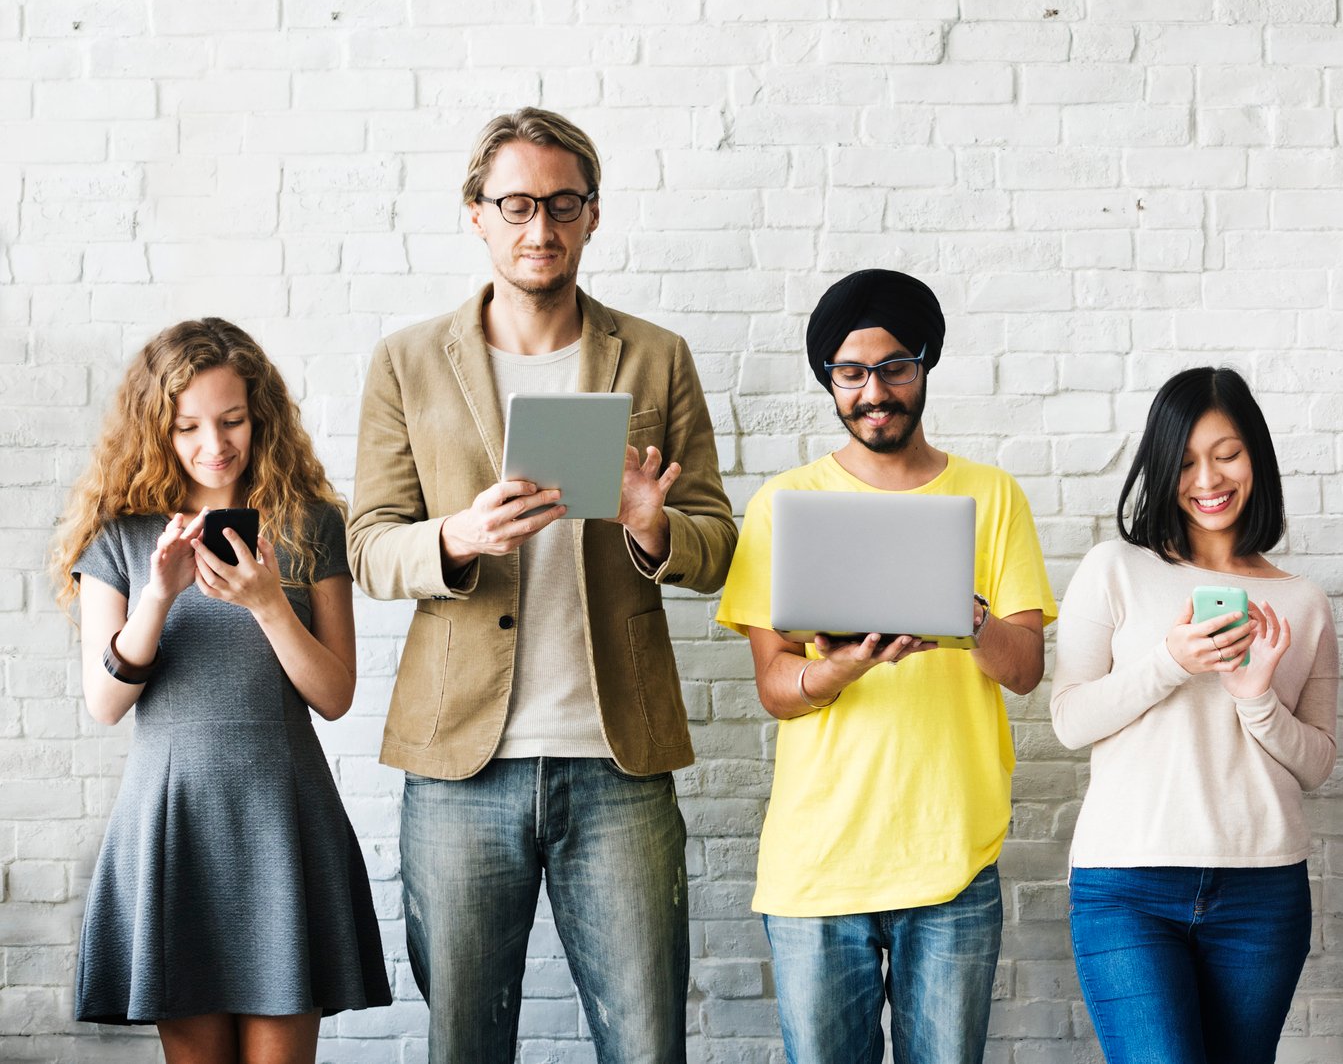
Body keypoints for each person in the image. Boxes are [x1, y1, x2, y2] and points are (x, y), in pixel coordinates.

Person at [347, 107, 737, 1063]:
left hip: (619, 760)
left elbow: (718, 544)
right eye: (516, 204)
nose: (540, 228)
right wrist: (457, 537)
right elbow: (368, 546)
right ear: (475, 214)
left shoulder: (655, 356)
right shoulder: (406, 360)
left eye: (563, 205)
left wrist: (651, 526)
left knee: (647, 1042)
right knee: (465, 1044)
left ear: (593, 215)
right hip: (458, 767)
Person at [715, 268, 1057, 1064]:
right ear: (830, 382)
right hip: (817, 867)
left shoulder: (990, 496)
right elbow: (775, 687)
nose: (876, 391)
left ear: (924, 366)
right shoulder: (782, 504)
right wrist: (838, 671)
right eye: (853, 373)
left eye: (896, 367)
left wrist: (963, 616)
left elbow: (1026, 668)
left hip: (950, 862)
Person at [52, 318, 390, 1061]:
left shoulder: (309, 525)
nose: (215, 444)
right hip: (173, 823)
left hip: (282, 816)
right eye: (189, 426)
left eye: (232, 420)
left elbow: (334, 695)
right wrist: (159, 596)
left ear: (259, 416)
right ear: (155, 430)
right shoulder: (118, 537)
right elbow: (106, 703)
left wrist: (268, 601)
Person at [1050, 367, 1340, 1064]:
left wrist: (1256, 699)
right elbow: (1069, 720)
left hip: (1262, 890)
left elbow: (1318, 763)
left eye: (1226, 453)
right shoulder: (1113, 568)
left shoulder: (1301, 601)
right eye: (1183, 462)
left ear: (1256, 458)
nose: (1207, 479)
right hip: (1126, 886)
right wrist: (1171, 663)